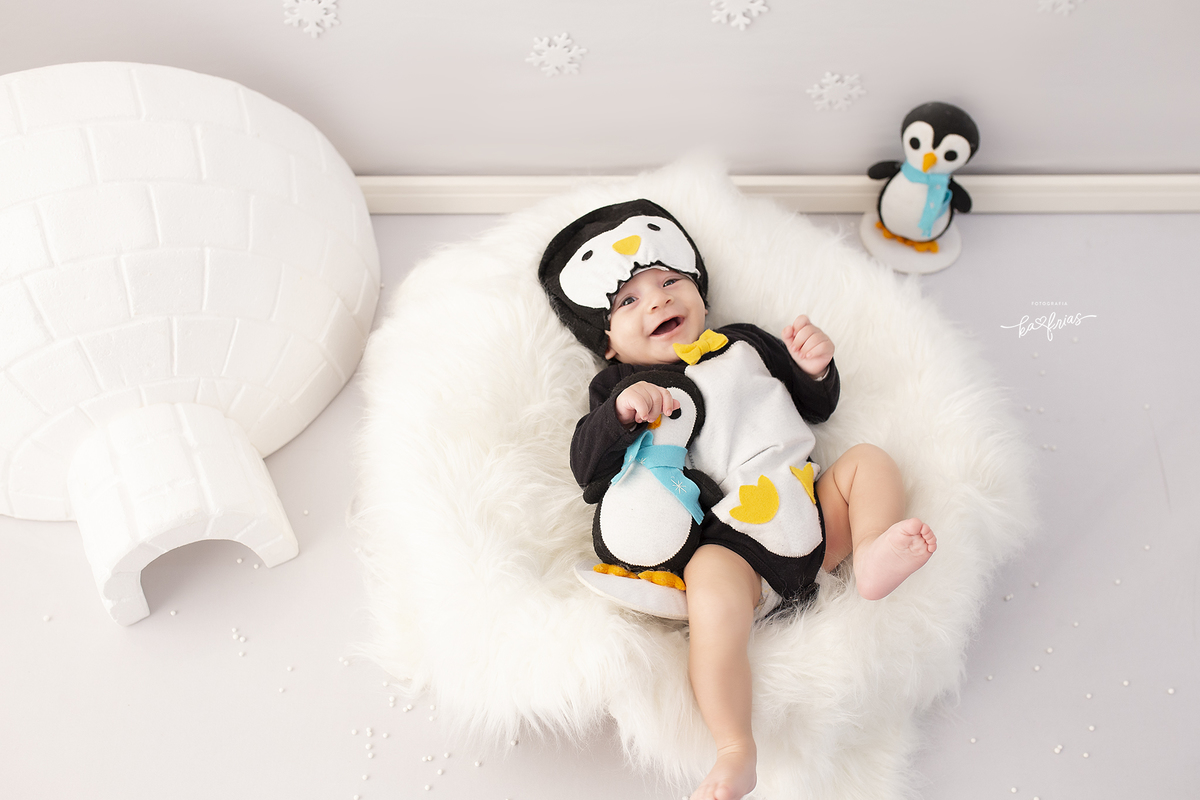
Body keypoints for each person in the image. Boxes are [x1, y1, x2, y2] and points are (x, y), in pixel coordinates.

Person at [539, 199, 936, 800]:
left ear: (699, 293)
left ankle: (875, 549)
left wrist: (814, 367)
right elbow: (588, 468)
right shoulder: (618, 386)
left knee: (870, 462)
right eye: (628, 301)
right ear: (610, 343)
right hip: (734, 545)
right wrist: (620, 415)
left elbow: (814, 407)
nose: (658, 301)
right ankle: (734, 747)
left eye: (669, 282)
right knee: (710, 591)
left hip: (811, 507)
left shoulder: (745, 343)